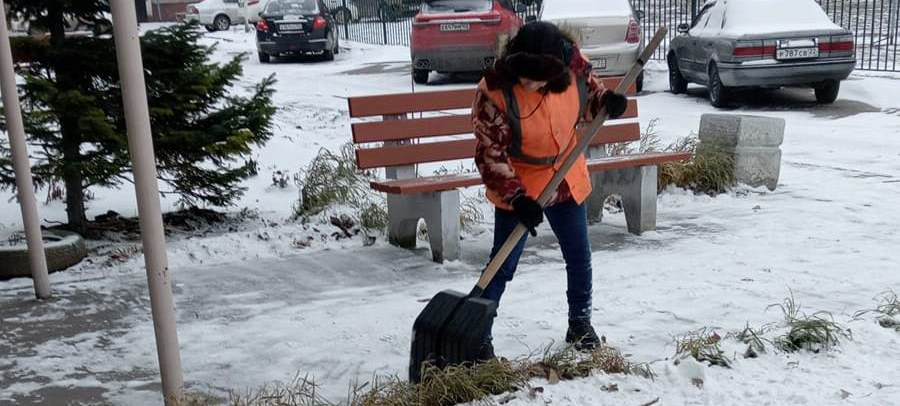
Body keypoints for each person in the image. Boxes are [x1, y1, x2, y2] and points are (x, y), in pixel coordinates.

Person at [472, 21, 628, 359]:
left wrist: (607, 103)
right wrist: (516, 197)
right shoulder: (495, 90)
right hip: (520, 182)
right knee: (503, 263)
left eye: (537, 79)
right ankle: (477, 335)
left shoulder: (573, 68)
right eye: (524, 76)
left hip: (565, 173)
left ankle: (580, 323)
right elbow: (490, 153)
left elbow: (590, 97)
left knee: (578, 254)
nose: (528, 84)